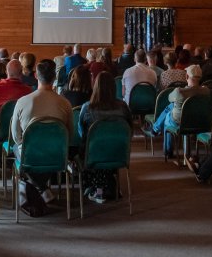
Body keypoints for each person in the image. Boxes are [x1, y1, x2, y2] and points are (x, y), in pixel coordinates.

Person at [10, 60, 72, 213]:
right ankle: (42, 188)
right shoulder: (65, 103)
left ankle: (39, 188)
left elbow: (15, 135)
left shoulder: (23, 101)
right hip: (57, 154)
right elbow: (69, 134)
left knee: (15, 148)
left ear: (36, 75)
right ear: (55, 77)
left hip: (30, 155)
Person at [78, 71, 133, 204]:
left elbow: (82, 133)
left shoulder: (87, 107)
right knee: (106, 145)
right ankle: (109, 184)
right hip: (118, 152)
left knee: (88, 148)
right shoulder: (123, 107)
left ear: (95, 86)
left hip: (94, 154)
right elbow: (129, 131)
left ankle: (99, 189)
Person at [148, 65, 210, 159]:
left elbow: (169, 98)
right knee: (172, 106)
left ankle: (167, 150)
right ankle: (156, 128)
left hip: (180, 122)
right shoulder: (206, 91)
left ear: (187, 77)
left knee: (169, 113)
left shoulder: (179, 92)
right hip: (199, 121)